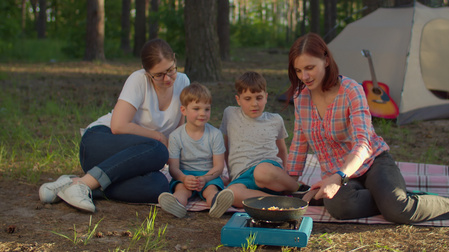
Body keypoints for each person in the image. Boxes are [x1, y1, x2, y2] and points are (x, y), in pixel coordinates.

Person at [285, 32, 449, 225]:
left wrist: (338, 176)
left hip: (372, 163)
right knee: (339, 207)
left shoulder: (351, 90)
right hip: (339, 177)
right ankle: (391, 196)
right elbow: (299, 143)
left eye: (310, 68)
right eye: (299, 70)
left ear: (326, 60)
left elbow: (363, 143)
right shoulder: (301, 97)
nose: (305, 77)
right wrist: (288, 183)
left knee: (399, 211)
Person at [38, 38, 190, 212]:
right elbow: (118, 126)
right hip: (101, 142)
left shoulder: (183, 82)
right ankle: (84, 184)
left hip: (131, 161)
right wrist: (158, 136)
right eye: (159, 75)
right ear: (147, 73)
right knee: (159, 149)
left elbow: (178, 133)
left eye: (171, 70)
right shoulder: (138, 80)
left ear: (175, 60)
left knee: (158, 186)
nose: (168, 78)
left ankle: (72, 184)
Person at [218, 71, 302, 210]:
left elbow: (281, 150)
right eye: (248, 98)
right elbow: (226, 146)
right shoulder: (230, 114)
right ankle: (279, 201)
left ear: (266, 97)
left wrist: (285, 176)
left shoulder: (275, 120)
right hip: (242, 177)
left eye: (259, 98)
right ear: (238, 100)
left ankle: (297, 189)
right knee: (231, 193)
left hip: (268, 173)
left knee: (261, 171)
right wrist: (229, 174)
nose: (254, 104)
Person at [158, 82, 234, 219]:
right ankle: (176, 204)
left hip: (208, 175)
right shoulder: (176, 136)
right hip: (185, 175)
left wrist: (205, 178)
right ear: (183, 110)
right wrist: (183, 178)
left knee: (211, 191)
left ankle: (217, 204)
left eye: (207, 109)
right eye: (196, 108)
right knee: (181, 190)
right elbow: (173, 168)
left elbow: (219, 166)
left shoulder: (215, 134)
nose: (202, 113)